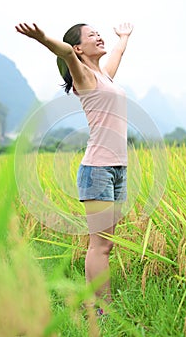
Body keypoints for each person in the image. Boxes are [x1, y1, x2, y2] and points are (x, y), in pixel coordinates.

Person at [15, 21, 133, 315]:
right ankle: (104, 311)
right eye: (92, 35)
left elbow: (116, 55)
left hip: (117, 168)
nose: (99, 36)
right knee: (100, 246)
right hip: (98, 170)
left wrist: (123, 38)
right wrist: (42, 38)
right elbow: (66, 52)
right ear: (80, 48)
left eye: (98, 33)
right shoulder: (84, 77)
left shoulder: (104, 76)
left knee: (105, 245)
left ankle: (95, 303)